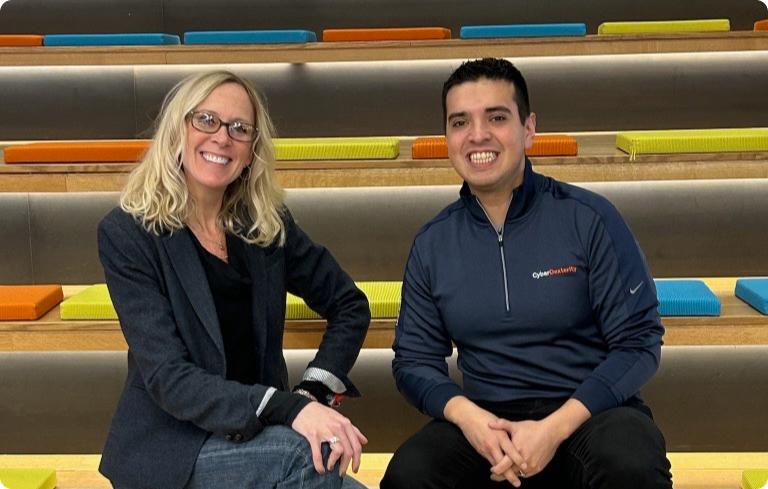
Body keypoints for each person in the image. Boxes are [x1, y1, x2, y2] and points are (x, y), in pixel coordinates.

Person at [381, 58, 673, 488]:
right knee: (410, 475)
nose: (478, 135)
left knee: (630, 464)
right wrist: (471, 419)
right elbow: (414, 361)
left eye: (496, 117)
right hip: (486, 423)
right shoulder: (432, 244)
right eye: (460, 122)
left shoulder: (589, 218)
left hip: (589, 417)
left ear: (529, 129)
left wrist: (554, 428)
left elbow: (638, 341)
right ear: (447, 137)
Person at [97, 70, 370, 489]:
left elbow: (349, 304)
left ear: (251, 151)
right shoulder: (128, 233)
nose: (222, 137)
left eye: (240, 129)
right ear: (177, 130)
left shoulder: (265, 224)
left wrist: (314, 391)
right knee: (308, 455)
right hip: (176, 449)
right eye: (205, 120)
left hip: (259, 440)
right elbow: (169, 377)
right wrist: (286, 409)